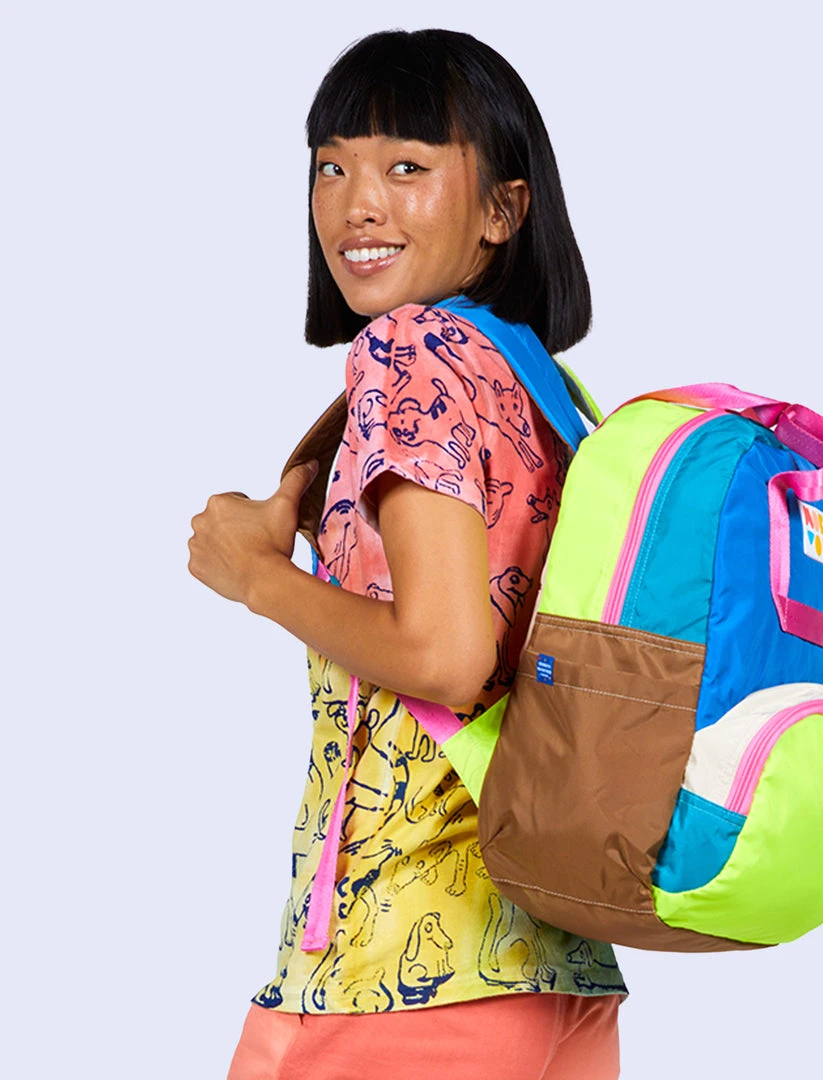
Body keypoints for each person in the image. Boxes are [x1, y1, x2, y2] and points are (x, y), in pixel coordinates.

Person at [187, 28, 627, 1080]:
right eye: (331, 167)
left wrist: (257, 578)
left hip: (397, 974)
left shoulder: (410, 349)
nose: (357, 203)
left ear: (502, 211)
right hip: (555, 968)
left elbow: (444, 656)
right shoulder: (545, 390)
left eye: (406, 166)